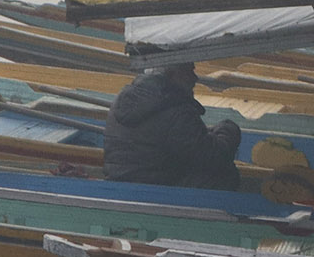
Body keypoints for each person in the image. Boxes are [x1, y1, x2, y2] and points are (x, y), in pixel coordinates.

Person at [103, 61, 243, 191]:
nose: (195, 78)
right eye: (189, 71)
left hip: (119, 180)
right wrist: (229, 130)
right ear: (173, 74)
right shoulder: (176, 111)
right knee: (224, 175)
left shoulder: (121, 100)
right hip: (156, 188)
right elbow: (212, 156)